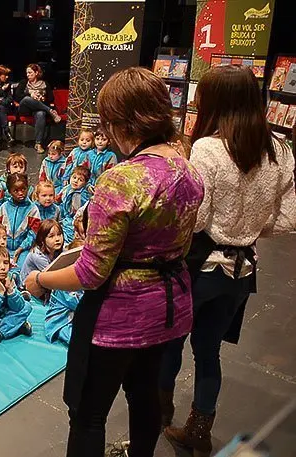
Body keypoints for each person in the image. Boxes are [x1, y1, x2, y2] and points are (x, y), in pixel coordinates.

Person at [24, 67, 204, 457]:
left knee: (88, 414)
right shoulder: (189, 169)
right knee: (145, 398)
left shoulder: (121, 179)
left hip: (117, 318)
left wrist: (42, 278)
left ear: (123, 123)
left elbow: (91, 272)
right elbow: (180, 243)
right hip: (168, 308)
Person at [160, 66, 296, 457]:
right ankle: (200, 431)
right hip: (241, 273)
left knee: (170, 347)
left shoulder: (207, 148)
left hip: (198, 268)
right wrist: (249, 225)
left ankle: (158, 417)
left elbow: (198, 219)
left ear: (214, 101)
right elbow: (287, 221)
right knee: (209, 353)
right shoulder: (280, 149)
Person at [13, 63, 61, 153]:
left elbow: (51, 98)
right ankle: (50, 111)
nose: (28, 75)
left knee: (41, 114)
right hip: (25, 108)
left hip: (38, 108)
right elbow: (17, 97)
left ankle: (38, 144)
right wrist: (30, 94)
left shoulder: (44, 84)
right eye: (27, 73)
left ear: (36, 73)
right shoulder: (24, 83)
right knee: (27, 99)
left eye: (30, 73)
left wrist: (42, 98)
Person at [0, 173, 41, 263]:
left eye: (23, 189)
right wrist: (0, 244)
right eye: (16, 191)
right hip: (3, 246)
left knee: (22, 266)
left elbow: (34, 233)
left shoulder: (33, 209)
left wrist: (21, 248)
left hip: (23, 249)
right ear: (9, 191)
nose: (20, 193)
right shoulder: (4, 207)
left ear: (28, 188)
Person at [59, 165, 92, 245]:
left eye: (80, 180)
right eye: (74, 177)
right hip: (64, 218)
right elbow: (60, 202)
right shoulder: (67, 188)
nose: (76, 181)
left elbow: (81, 212)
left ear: (85, 183)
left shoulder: (84, 194)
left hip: (75, 221)